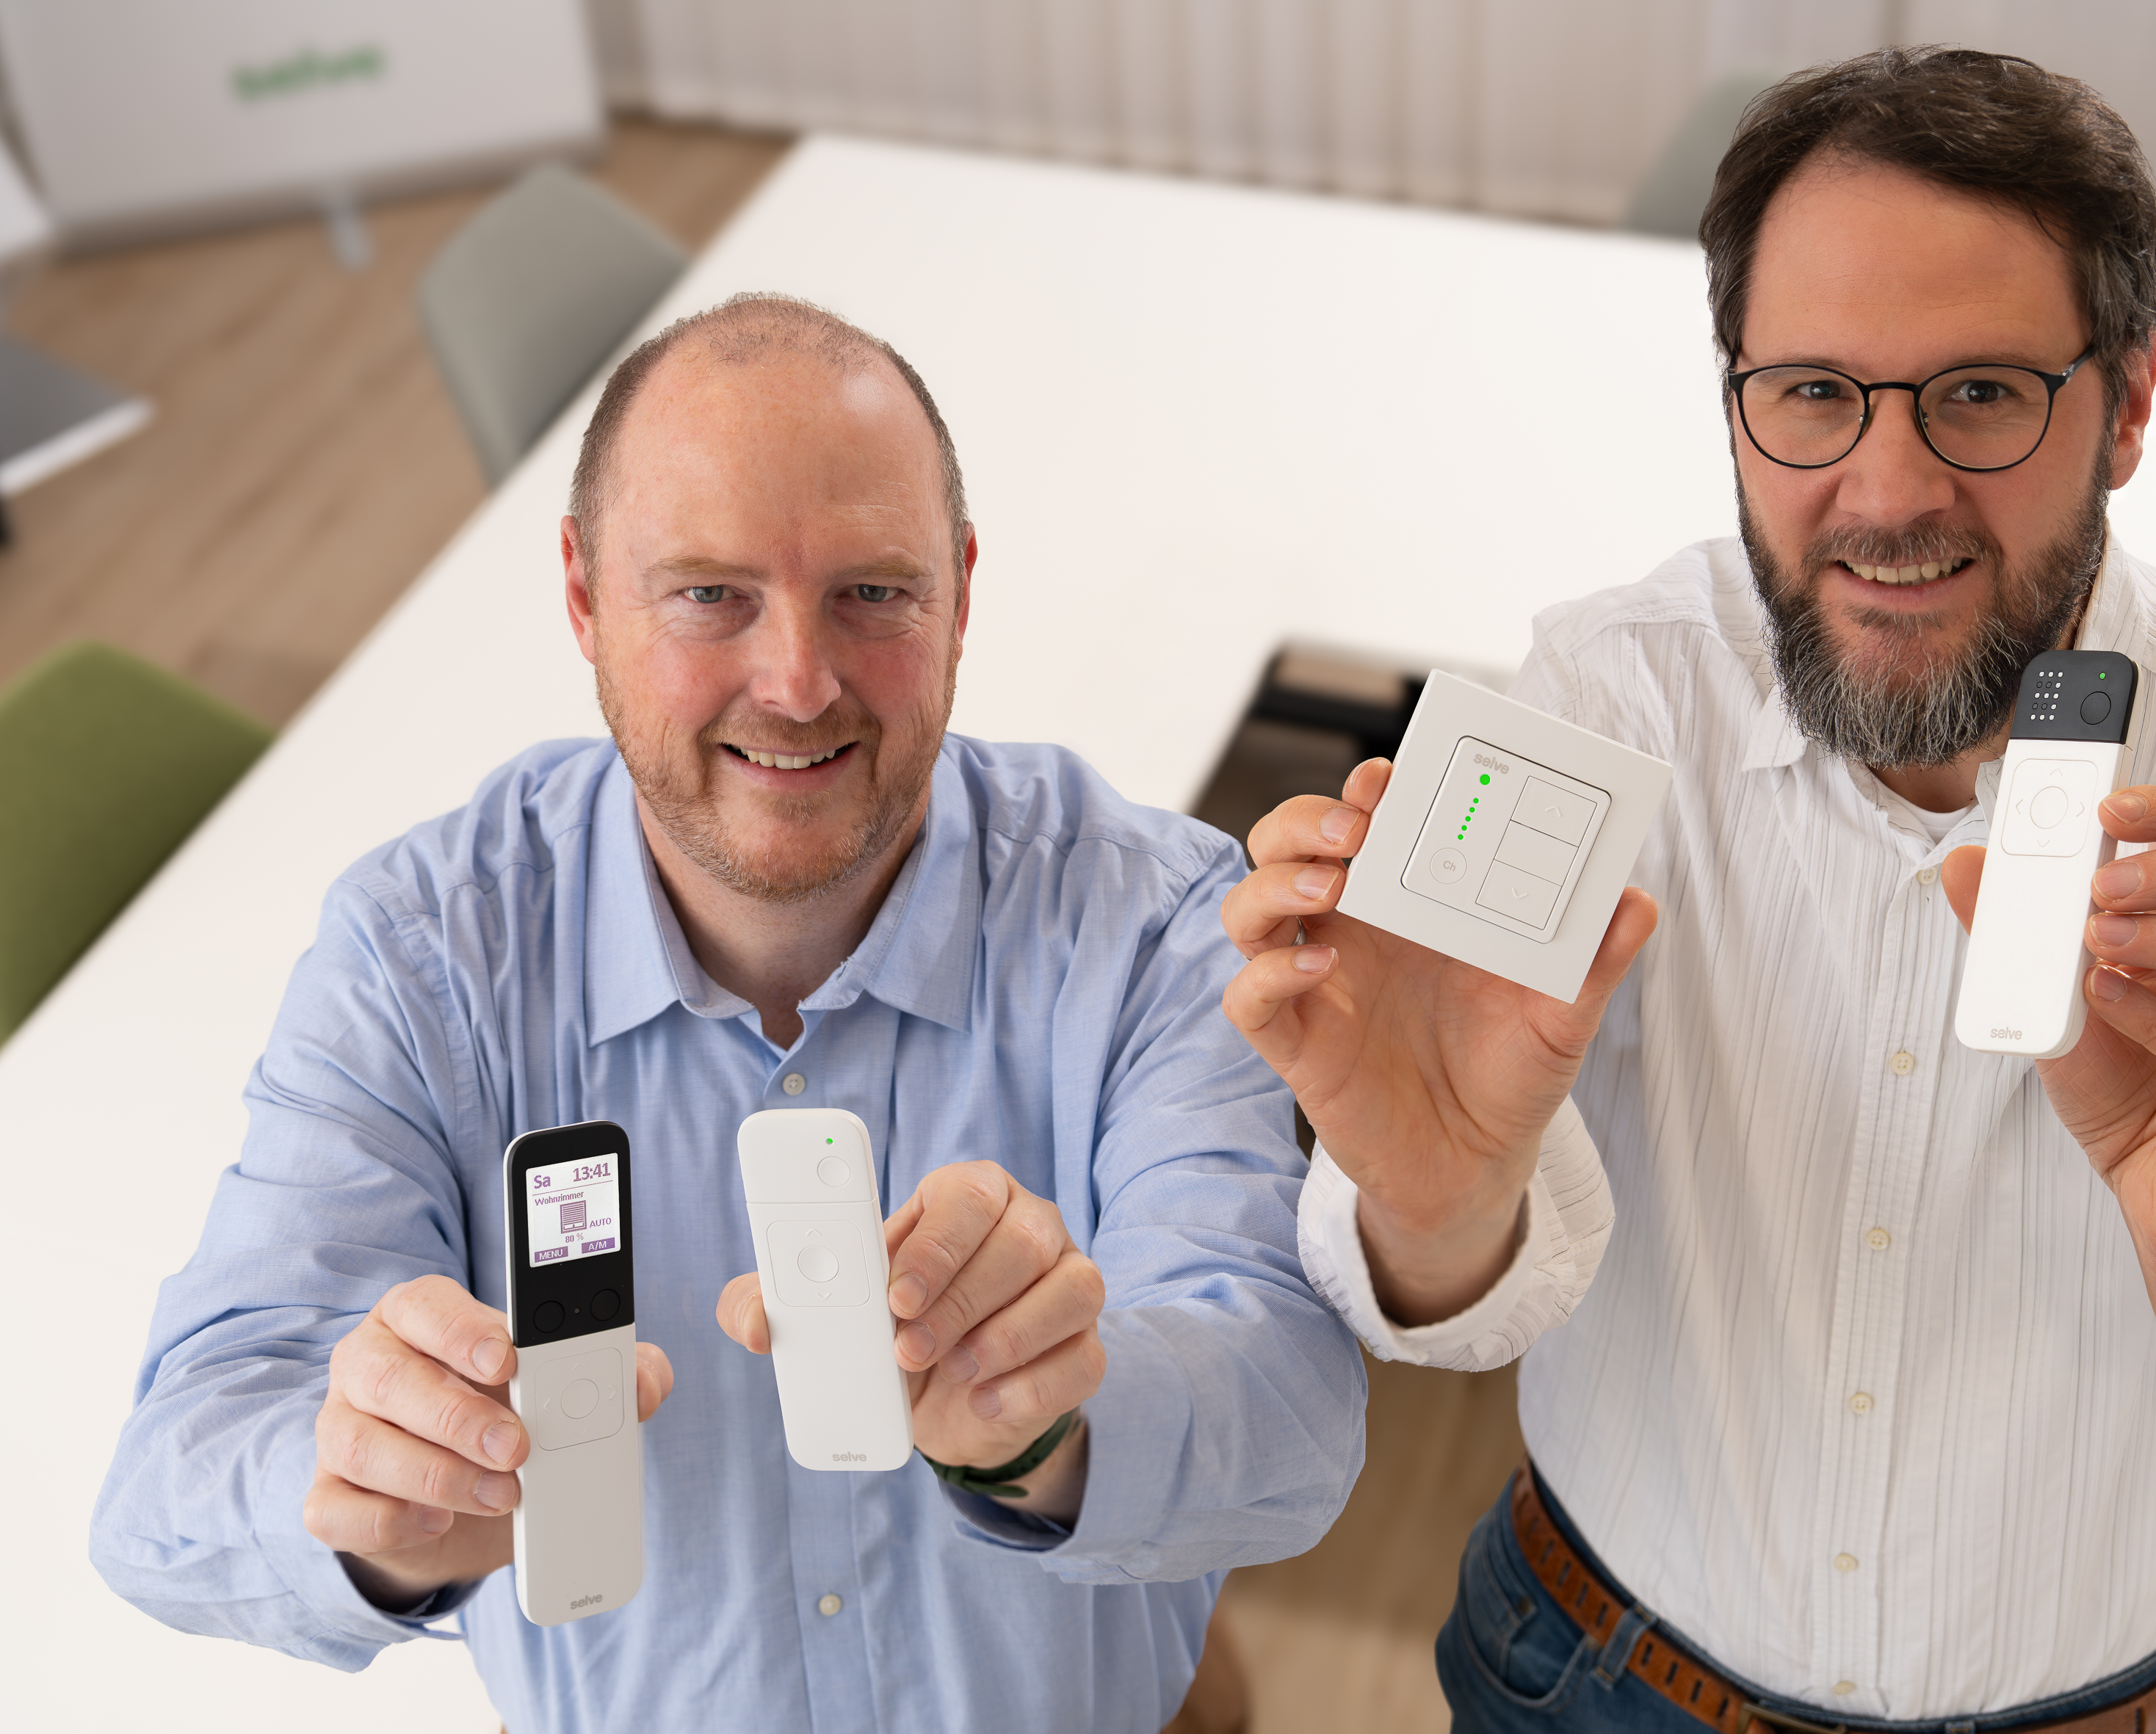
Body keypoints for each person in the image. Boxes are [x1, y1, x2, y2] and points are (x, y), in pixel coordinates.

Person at [1222, 47, 2156, 1733]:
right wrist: (1432, 1203)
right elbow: (1437, 1295)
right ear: (1733, 395)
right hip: (1582, 1675)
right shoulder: (1597, 698)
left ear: (2128, 400)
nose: (1887, 492)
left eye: (1979, 392)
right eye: (1809, 392)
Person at [90, 293, 1364, 1733]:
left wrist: (1044, 1431)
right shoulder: (419, 955)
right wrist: (367, 1501)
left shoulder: (1152, 916)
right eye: (709, 594)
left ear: (958, 592)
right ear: (583, 596)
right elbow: (165, 1485)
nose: (798, 683)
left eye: (872, 592)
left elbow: (1296, 1423)